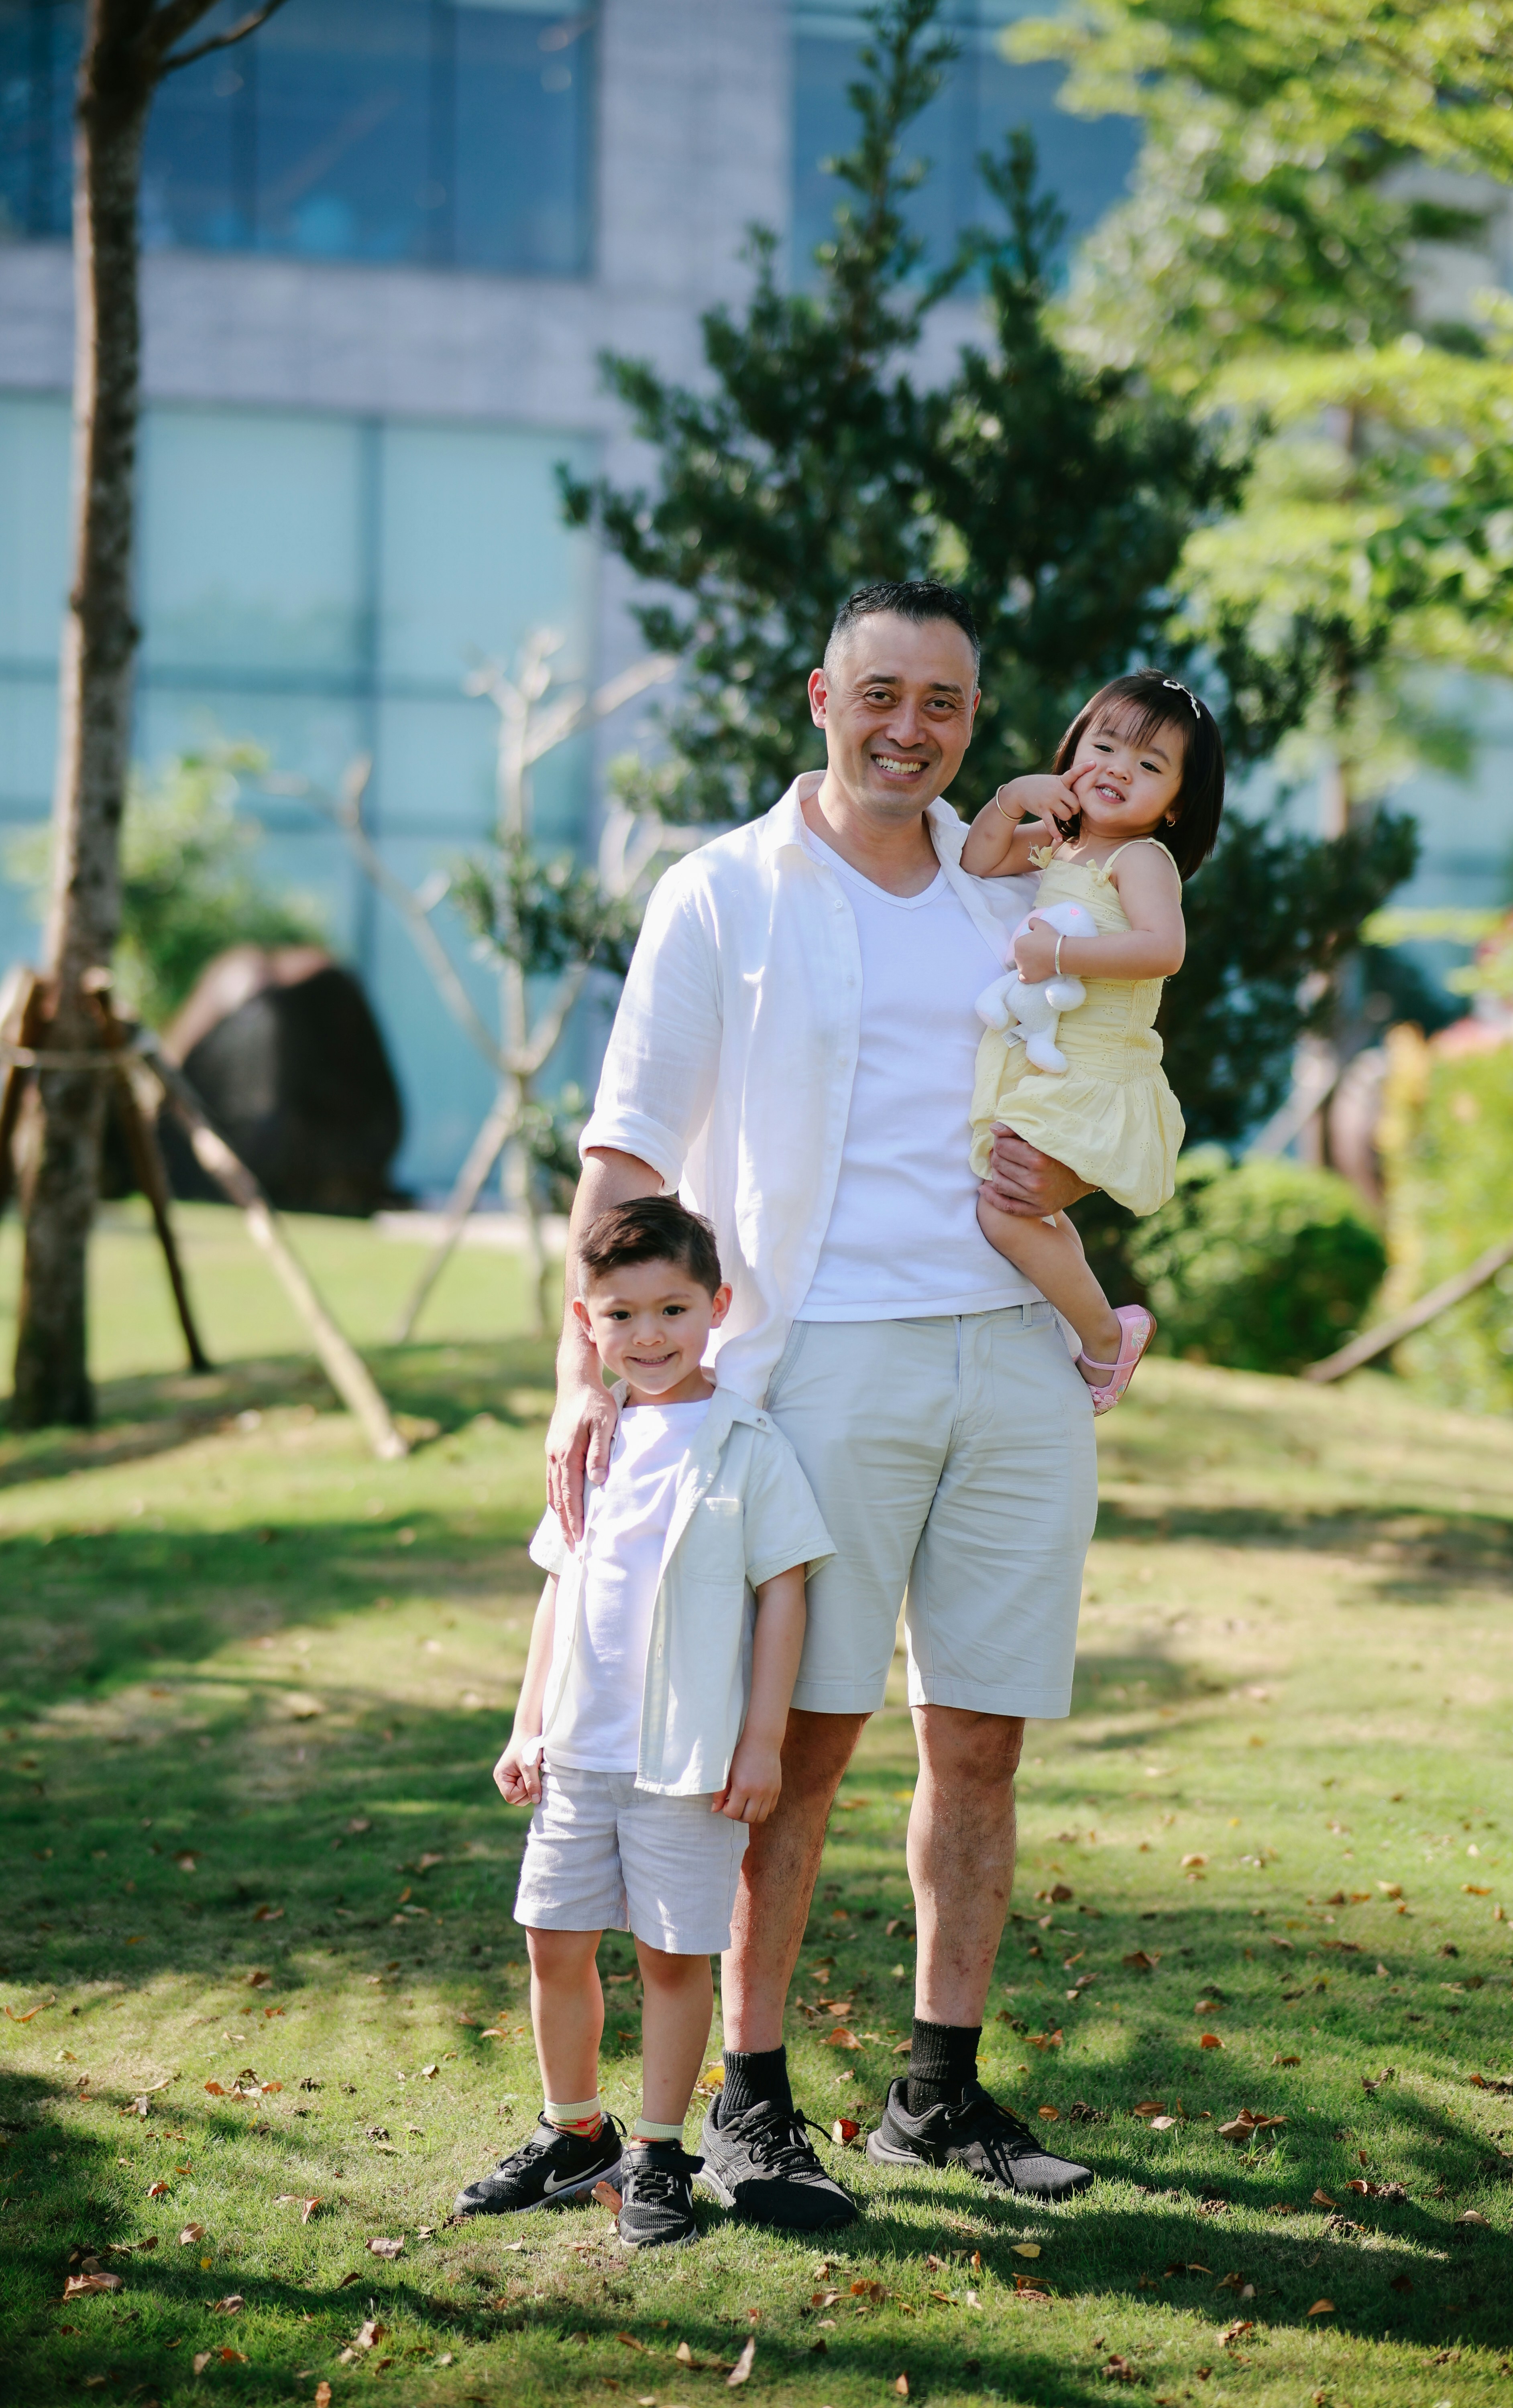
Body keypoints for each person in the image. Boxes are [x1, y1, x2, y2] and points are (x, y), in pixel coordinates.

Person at [545, 580, 1102, 2227]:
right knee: (797, 1748)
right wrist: (586, 1375)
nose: (910, 729)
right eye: (881, 694)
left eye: (944, 702)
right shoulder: (723, 892)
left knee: (981, 1739)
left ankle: (936, 2093)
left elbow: (1095, 1096)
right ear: (819, 697)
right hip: (824, 1360)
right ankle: (751, 2094)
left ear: (972, 719)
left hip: (1015, 1356)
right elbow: (629, 1151)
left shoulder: (1012, 899)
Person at [456, 1196, 836, 2249]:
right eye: (621, 1315)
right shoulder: (590, 1442)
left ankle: (660, 2153)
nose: (650, 1335)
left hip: (687, 1760)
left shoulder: (748, 1446)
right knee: (553, 1940)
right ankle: (575, 2132)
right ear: (587, 1324)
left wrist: (762, 1742)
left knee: (672, 1958)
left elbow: (784, 1596)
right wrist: (527, 1725)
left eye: (673, 1309)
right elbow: (560, 1586)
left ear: (718, 1307)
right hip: (578, 1750)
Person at [961, 669, 1226, 1413]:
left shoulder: (1138, 859)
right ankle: (1098, 1330)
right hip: (1055, 1061)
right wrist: (1016, 796)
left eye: (1150, 766)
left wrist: (1059, 955)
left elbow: (1164, 949)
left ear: (1175, 806)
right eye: (1104, 747)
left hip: (1097, 1066)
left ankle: (1106, 1336)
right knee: (1028, 1210)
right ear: (1075, 748)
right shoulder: (1064, 845)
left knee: (1002, 1210)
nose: (1118, 769)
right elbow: (978, 860)